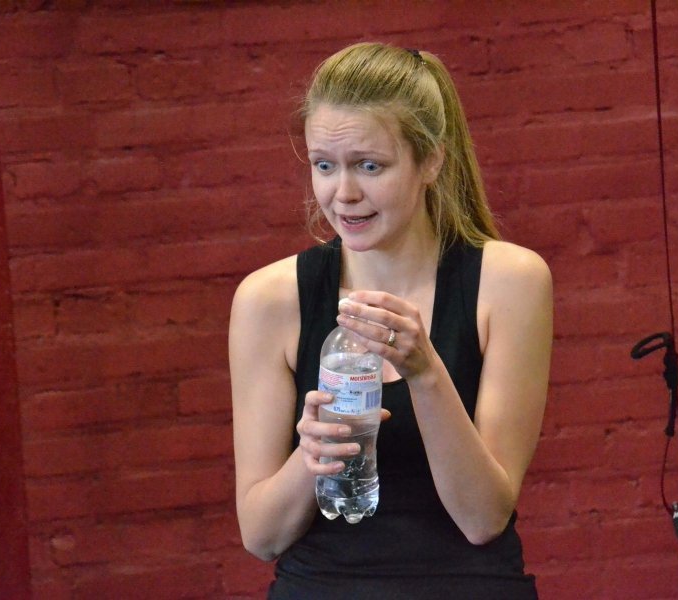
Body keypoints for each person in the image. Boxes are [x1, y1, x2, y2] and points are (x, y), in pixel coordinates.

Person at [229, 42, 552, 599]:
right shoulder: (270, 299)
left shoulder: (509, 281)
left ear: (431, 161)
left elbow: (483, 518)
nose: (344, 193)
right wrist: (314, 455)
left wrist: (425, 372)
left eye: (370, 166)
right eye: (324, 165)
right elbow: (261, 537)